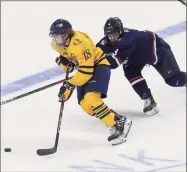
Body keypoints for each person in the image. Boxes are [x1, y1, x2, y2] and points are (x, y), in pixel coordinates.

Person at [49, 19, 132, 145]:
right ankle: (119, 119)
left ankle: (115, 126)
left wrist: (70, 85)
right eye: (53, 35)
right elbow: (70, 60)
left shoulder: (81, 42)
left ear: (65, 35)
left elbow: (87, 71)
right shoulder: (56, 44)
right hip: (84, 69)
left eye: (57, 36)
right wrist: (65, 62)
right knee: (86, 106)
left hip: (98, 66)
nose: (54, 39)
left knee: (91, 98)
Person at [96, 17, 186, 116]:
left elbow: (113, 63)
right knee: (130, 71)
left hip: (155, 49)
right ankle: (148, 99)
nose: (112, 38)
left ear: (120, 32)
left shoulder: (126, 41)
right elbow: (93, 52)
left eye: (115, 35)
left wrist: (96, 61)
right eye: (110, 35)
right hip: (135, 56)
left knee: (174, 80)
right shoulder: (106, 41)